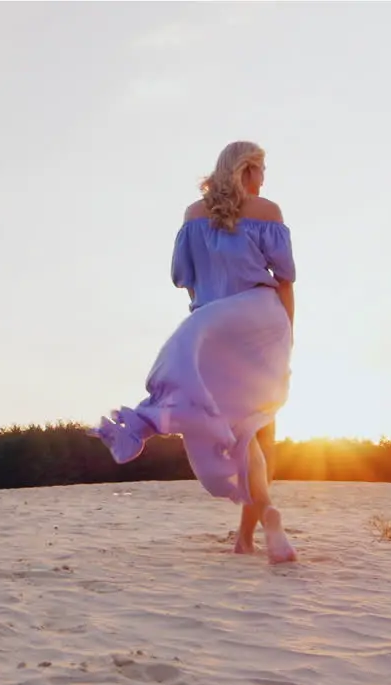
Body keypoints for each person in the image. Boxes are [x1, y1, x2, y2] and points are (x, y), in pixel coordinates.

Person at [88, 140, 298, 564]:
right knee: (258, 429)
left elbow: (184, 279)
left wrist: (210, 317)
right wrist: (286, 336)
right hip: (260, 322)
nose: (264, 180)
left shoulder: (193, 217)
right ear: (248, 169)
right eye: (261, 171)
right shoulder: (269, 213)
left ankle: (248, 535)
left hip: (213, 327)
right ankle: (252, 531)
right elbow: (286, 281)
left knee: (231, 427)